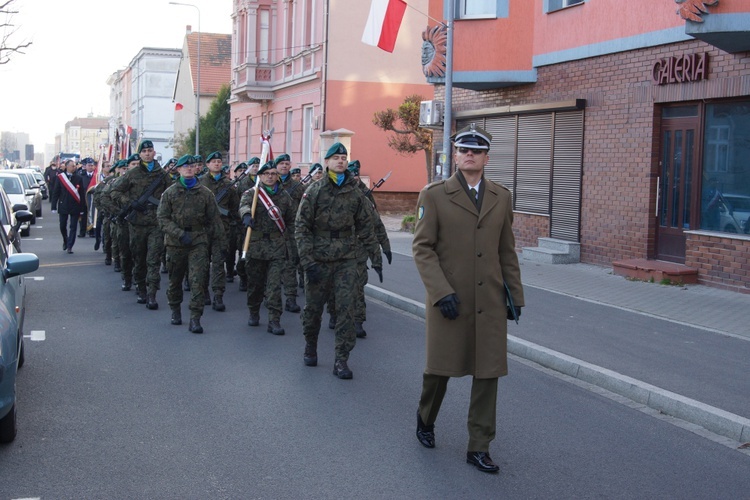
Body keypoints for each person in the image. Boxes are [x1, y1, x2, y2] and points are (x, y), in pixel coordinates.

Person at [412, 123, 524, 474]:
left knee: (487, 374)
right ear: (455, 156)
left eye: (476, 150)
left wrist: (514, 294)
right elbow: (422, 249)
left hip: (488, 301)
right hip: (450, 301)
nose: (469, 155)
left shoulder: (501, 197)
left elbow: (507, 250)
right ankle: (425, 418)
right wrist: (441, 292)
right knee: (439, 371)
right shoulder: (434, 195)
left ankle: (479, 446)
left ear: (486, 157)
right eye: (463, 150)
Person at [295, 142, 383, 380]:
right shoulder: (314, 190)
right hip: (318, 258)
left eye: (344, 157)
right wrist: (307, 262)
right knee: (313, 310)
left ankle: (341, 360)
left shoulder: (355, 191)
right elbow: (301, 228)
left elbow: (367, 226)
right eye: (337, 157)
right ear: (327, 162)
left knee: (346, 310)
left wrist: (376, 256)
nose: (341, 161)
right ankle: (310, 346)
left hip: (346, 259)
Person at [158, 154, 225, 334]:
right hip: (175, 243)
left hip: (198, 242)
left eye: (191, 166)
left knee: (198, 281)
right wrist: (179, 234)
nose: (188, 169)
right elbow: (162, 219)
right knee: (175, 280)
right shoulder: (170, 193)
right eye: (184, 166)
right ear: (178, 169)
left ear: (196, 169)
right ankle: (175, 310)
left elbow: (215, 220)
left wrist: (218, 242)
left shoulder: (205, 193)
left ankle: (195, 318)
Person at [109, 140, 171, 309]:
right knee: (139, 259)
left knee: (153, 259)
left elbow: (171, 194)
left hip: (157, 222)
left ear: (154, 152)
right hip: (137, 223)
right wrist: (130, 202)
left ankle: (152, 294)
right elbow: (114, 191)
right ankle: (141, 288)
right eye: (144, 151)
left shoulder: (163, 174)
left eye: (150, 150)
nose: (147, 153)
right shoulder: (132, 173)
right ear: (140, 154)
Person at [239, 161, 296, 335]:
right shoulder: (252, 194)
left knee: (274, 286)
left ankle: (274, 320)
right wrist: (247, 215)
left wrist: (293, 244)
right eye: (266, 174)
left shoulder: (285, 197)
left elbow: (292, 220)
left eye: (273, 173)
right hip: (255, 246)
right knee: (255, 285)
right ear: (260, 176)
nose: (270, 176)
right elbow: (243, 206)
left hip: (277, 247)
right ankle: (254, 311)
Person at [199, 151, 239, 311]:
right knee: (202, 264)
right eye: (213, 161)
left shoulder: (228, 184)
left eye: (219, 161)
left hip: (222, 231)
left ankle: (218, 295)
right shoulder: (199, 183)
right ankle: (204, 293)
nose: (217, 164)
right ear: (207, 165)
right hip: (202, 231)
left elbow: (235, 208)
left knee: (218, 264)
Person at [275, 153, 303, 313]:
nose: (284, 166)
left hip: (291, 230)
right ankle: (269, 296)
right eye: (281, 164)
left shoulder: (298, 186)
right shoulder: (268, 184)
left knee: (291, 264)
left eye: (287, 163)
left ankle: (291, 298)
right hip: (271, 231)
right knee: (272, 266)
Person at [52, 159, 87, 253]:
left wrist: (82, 208)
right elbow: (56, 192)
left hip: (75, 206)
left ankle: (70, 246)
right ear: (67, 167)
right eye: (72, 166)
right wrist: (53, 206)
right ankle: (65, 239)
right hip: (63, 205)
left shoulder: (78, 178)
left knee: (73, 226)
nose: (74, 167)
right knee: (62, 226)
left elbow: (82, 194)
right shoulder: (60, 177)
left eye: (75, 166)